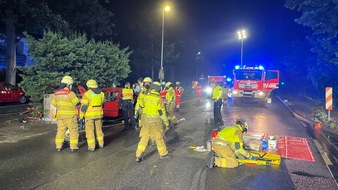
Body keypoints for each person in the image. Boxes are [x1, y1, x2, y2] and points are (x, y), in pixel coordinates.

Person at [135, 81, 171, 162]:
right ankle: (163, 154)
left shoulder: (146, 97)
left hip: (146, 122)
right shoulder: (158, 99)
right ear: (158, 89)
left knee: (144, 138)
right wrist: (166, 123)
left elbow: (141, 105)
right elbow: (161, 112)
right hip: (155, 123)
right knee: (159, 138)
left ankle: (138, 155)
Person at [52, 76, 80, 152]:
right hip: (70, 117)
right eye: (71, 85)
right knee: (73, 131)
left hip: (60, 117)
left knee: (60, 131)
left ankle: (58, 147)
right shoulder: (70, 93)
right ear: (68, 85)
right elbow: (77, 103)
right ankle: (73, 147)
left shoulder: (56, 94)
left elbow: (54, 104)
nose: (71, 86)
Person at [80, 79, 105, 151]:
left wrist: (81, 116)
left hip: (89, 115)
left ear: (88, 86)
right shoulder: (101, 93)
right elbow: (103, 103)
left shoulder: (87, 94)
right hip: (99, 114)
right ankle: (101, 143)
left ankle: (92, 146)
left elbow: (84, 107)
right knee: (99, 129)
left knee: (90, 131)